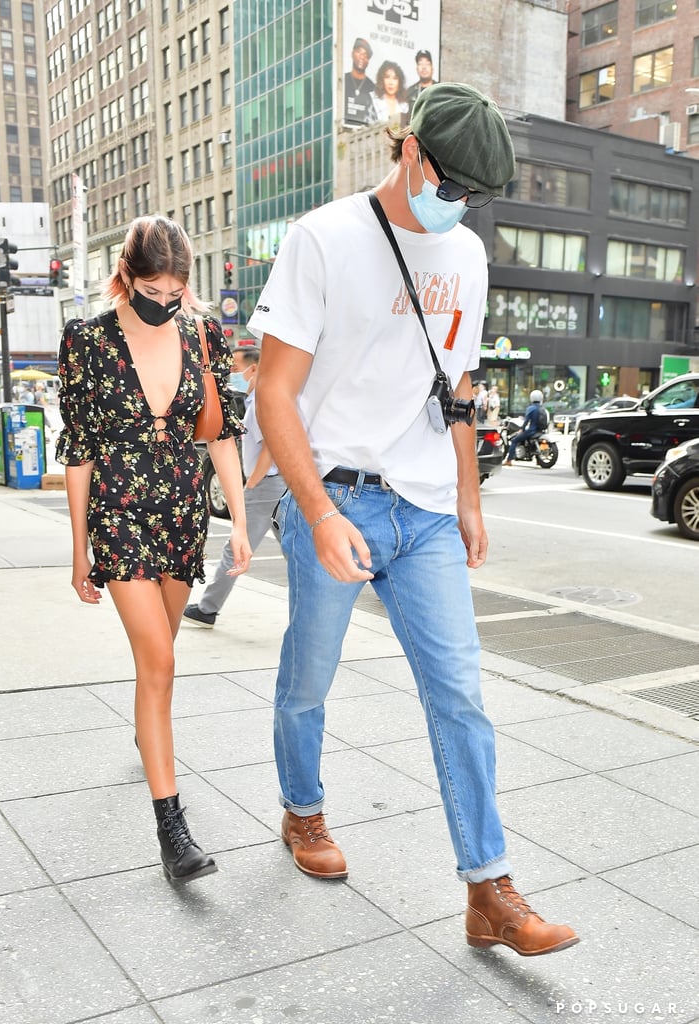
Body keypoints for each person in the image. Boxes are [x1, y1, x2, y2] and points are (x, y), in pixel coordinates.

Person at [250, 82, 578, 957]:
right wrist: (315, 510)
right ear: (410, 153)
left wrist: (467, 496)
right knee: (309, 676)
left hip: (426, 507)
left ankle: (488, 890)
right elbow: (272, 390)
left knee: (461, 697)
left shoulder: (464, 255)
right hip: (338, 495)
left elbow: (458, 389)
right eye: (451, 186)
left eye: (476, 197)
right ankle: (302, 808)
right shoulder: (322, 238)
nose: (459, 207)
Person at [56, 215, 251, 884]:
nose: (163, 303)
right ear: (126, 274)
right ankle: (172, 832)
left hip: (180, 514)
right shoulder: (87, 340)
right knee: (161, 661)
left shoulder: (202, 335)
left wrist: (241, 525)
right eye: (151, 289)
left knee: (158, 664)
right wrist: (79, 548)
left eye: (174, 292)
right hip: (118, 513)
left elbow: (220, 434)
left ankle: (149, 733)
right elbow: (79, 451)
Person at [185, 346, 286, 627]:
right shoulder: (255, 401)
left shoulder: (262, 402)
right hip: (272, 485)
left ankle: (207, 608)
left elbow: (272, 446)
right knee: (294, 549)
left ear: (253, 369)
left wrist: (251, 483)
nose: (232, 373)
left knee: (236, 547)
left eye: (235, 367)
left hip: (265, 485)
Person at [504, 389, 545, 465]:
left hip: (531, 430)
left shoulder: (531, 408)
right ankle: (538, 461)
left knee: (514, 441)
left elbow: (526, 421)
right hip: (540, 431)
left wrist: (522, 429)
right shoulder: (543, 408)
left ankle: (509, 460)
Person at [343, 37, 376, 127]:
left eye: (365, 55)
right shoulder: (342, 80)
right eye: (359, 52)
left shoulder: (373, 87)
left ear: (368, 61)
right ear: (352, 54)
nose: (362, 57)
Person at [371, 60, 409, 126]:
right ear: (381, 79)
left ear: (399, 82)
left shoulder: (405, 105)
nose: (391, 82)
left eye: (395, 78)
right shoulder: (372, 99)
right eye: (387, 77)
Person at [406, 49, 437, 115]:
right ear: (417, 69)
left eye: (427, 64)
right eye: (420, 64)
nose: (424, 67)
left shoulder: (440, 89)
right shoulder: (410, 92)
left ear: (432, 68)